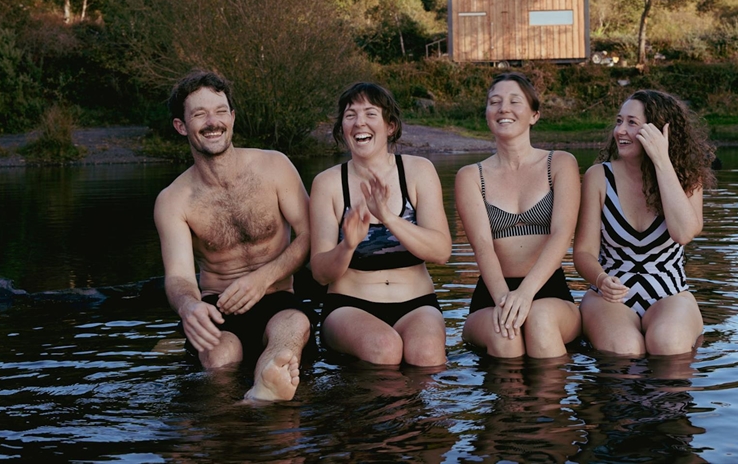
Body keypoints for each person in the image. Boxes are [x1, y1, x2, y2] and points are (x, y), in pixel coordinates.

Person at [154, 69, 312, 401]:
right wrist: (188, 307)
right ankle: (236, 414)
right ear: (181, 126)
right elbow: (179, 277)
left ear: (233, 117)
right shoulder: (173, 200)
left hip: (279, 297)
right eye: (199, 114)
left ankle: (265, 390)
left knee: (291, 333)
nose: (213, 122)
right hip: (219, 306)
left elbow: (310, 236)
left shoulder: (275, 167)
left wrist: (262, 279)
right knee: (219, 359)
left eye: (220, 111)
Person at [309, 82, 451, 366]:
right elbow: (320, 274)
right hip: (349, 305)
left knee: (426, 354)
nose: (359, 122)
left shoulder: (418, 171)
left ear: (390, 126)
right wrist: (348, 245)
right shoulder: (327, 184)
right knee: (384, 348)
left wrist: (387, 216)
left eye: (370, 113)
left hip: (417, 303)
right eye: (350, 115)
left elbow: (441, 252)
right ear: (342, 129)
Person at [573, 89, 716, 356]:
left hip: (670, 294)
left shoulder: (688, 178)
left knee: (669, 345)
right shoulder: (598, 177)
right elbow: (582, 253)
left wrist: (662, 160)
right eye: (619, 121)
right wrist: (601, 279)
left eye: (632, 123)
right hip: (609, 296)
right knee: (625, 351)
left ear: (658, 132)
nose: (620, 131)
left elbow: (684, 233)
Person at [456, 72, 581, 359]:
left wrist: (525, 294)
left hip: (550, 291)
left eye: (515, 101)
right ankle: (509, 403)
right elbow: (482, 246)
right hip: (492, 293)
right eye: (494, 102)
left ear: (534, 115)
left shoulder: (560, 163)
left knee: (540, 318)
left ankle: (547, 404)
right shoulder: (470, 176)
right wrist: (505, 301)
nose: (503, 109)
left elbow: (562, 233)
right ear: (487, 114)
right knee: (505, 333)